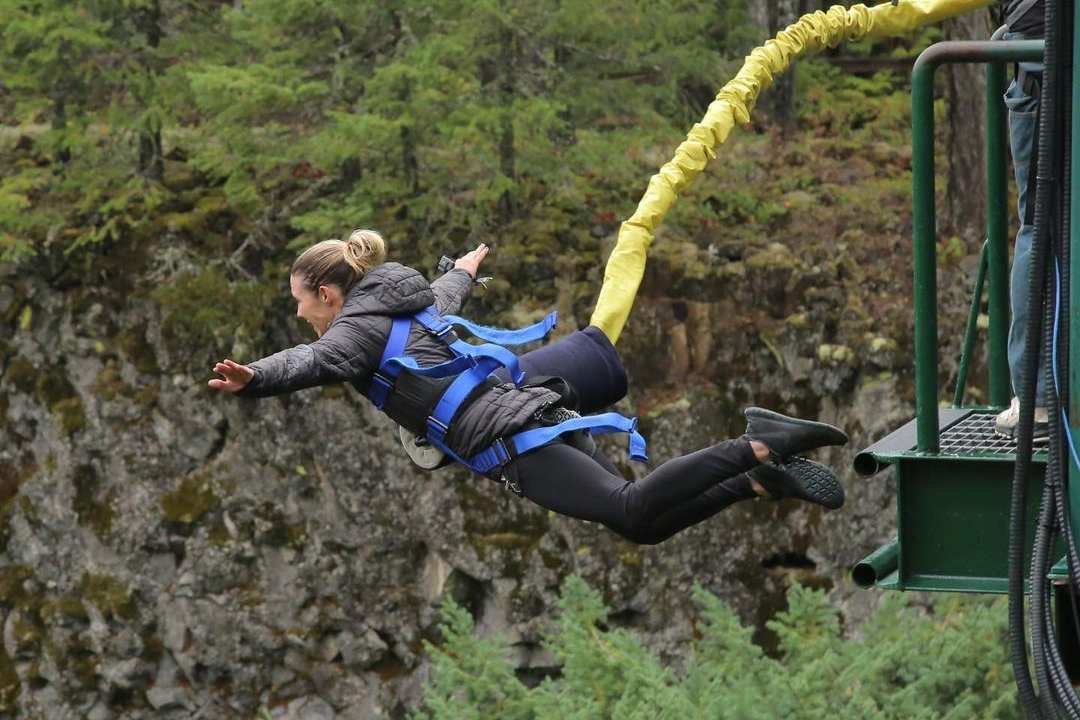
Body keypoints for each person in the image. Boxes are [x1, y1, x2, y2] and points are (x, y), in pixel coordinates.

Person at [208, 229, 848, 545]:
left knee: (628, 509)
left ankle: (755, 446)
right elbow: (445, 293)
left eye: (302, 302)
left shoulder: (353, 334)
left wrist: (255, 376)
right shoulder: (398, 303)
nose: (301, 316)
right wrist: (462, 270)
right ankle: (756, 480)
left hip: (508, 437)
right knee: (641, 525)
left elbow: (309, 360)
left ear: (327, 294)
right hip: (523, 413)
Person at [994, 0, 1048, 442]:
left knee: (1038, 228)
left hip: (1041, 74)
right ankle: (1039, 394)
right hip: (1046, 69)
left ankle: (1038, 397)